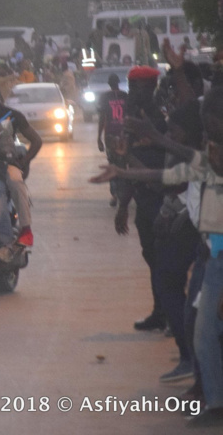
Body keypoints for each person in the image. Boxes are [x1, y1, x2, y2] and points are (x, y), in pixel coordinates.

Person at [90, 87, 223, 427]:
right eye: (208, 132)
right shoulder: (209, 163)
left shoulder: (211, 163)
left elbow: (184, 165)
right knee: (201, 329)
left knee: (204, 331)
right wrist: (123, 173)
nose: (209, 141)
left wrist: (156, 138)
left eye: (214, 131)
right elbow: (168, 176)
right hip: (211, 255)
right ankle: (210, 393)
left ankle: (213, 397)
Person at [112, 65, 169, 332]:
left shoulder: (155, 121)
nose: (132, 91)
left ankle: (168, 312)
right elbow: (130, 165)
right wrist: (124, 204)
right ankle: (162, 311)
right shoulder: (135, 118)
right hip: (145, 198)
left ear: (151, 88)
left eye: (137, 87)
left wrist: (124, 205)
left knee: (161, 259)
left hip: (161, 197)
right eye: (130, 85)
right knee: (152, 257)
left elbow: (142, 166)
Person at [0, 73, 41, 247]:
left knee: (15, 181)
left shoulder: (10, 115)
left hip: (5, 163)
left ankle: (25, 230)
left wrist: (23, 161)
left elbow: (37, 141)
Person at [97, 73, 129, 207]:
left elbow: (102, 118)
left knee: (112, 164)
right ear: (118, 83)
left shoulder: (105, 97)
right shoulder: (125, 96)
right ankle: (124, 194)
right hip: (125, 135)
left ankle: (115, 195)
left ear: (109, 84)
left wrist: (98, 137)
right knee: (124, 165)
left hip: (110, 135)